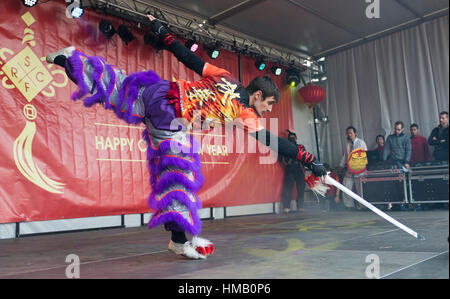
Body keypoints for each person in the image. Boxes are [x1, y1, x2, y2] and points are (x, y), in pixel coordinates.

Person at [45, 15, 327, 260]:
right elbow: (273, 142)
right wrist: (306, 158)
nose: (266, 111)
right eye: (267, 105)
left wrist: (163, 33)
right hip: (170, 119)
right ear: (257, 95)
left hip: (160, 93)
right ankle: (179, 243)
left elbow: (187, 57)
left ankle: (69, 59)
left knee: (117, 88)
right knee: (179, 178)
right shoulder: (246, 113)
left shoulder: (226, 77)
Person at [338, 126, 367, 209]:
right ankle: (349, 205)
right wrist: (341, 166)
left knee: (360, 189)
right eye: (348, 133)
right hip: (349, 170)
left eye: (351, 133)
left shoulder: (361, 143)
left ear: (355, 133)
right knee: (346, 186)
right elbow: (345, 156)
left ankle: (362, 206)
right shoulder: (347, 144)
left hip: (359, 169)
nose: (349, 135)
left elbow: (365, 155)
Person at [280, 130, 306, 213]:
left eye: (293, 138)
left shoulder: (300, 147)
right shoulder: (284, 147)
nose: (292, 139)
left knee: (301, 188)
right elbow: (281, 158)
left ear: (296, 138)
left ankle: (300, 206)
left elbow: (304, 157)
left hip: (298, 167)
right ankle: (286, 207)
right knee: (287, 188)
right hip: (289, 168)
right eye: (290, 138)